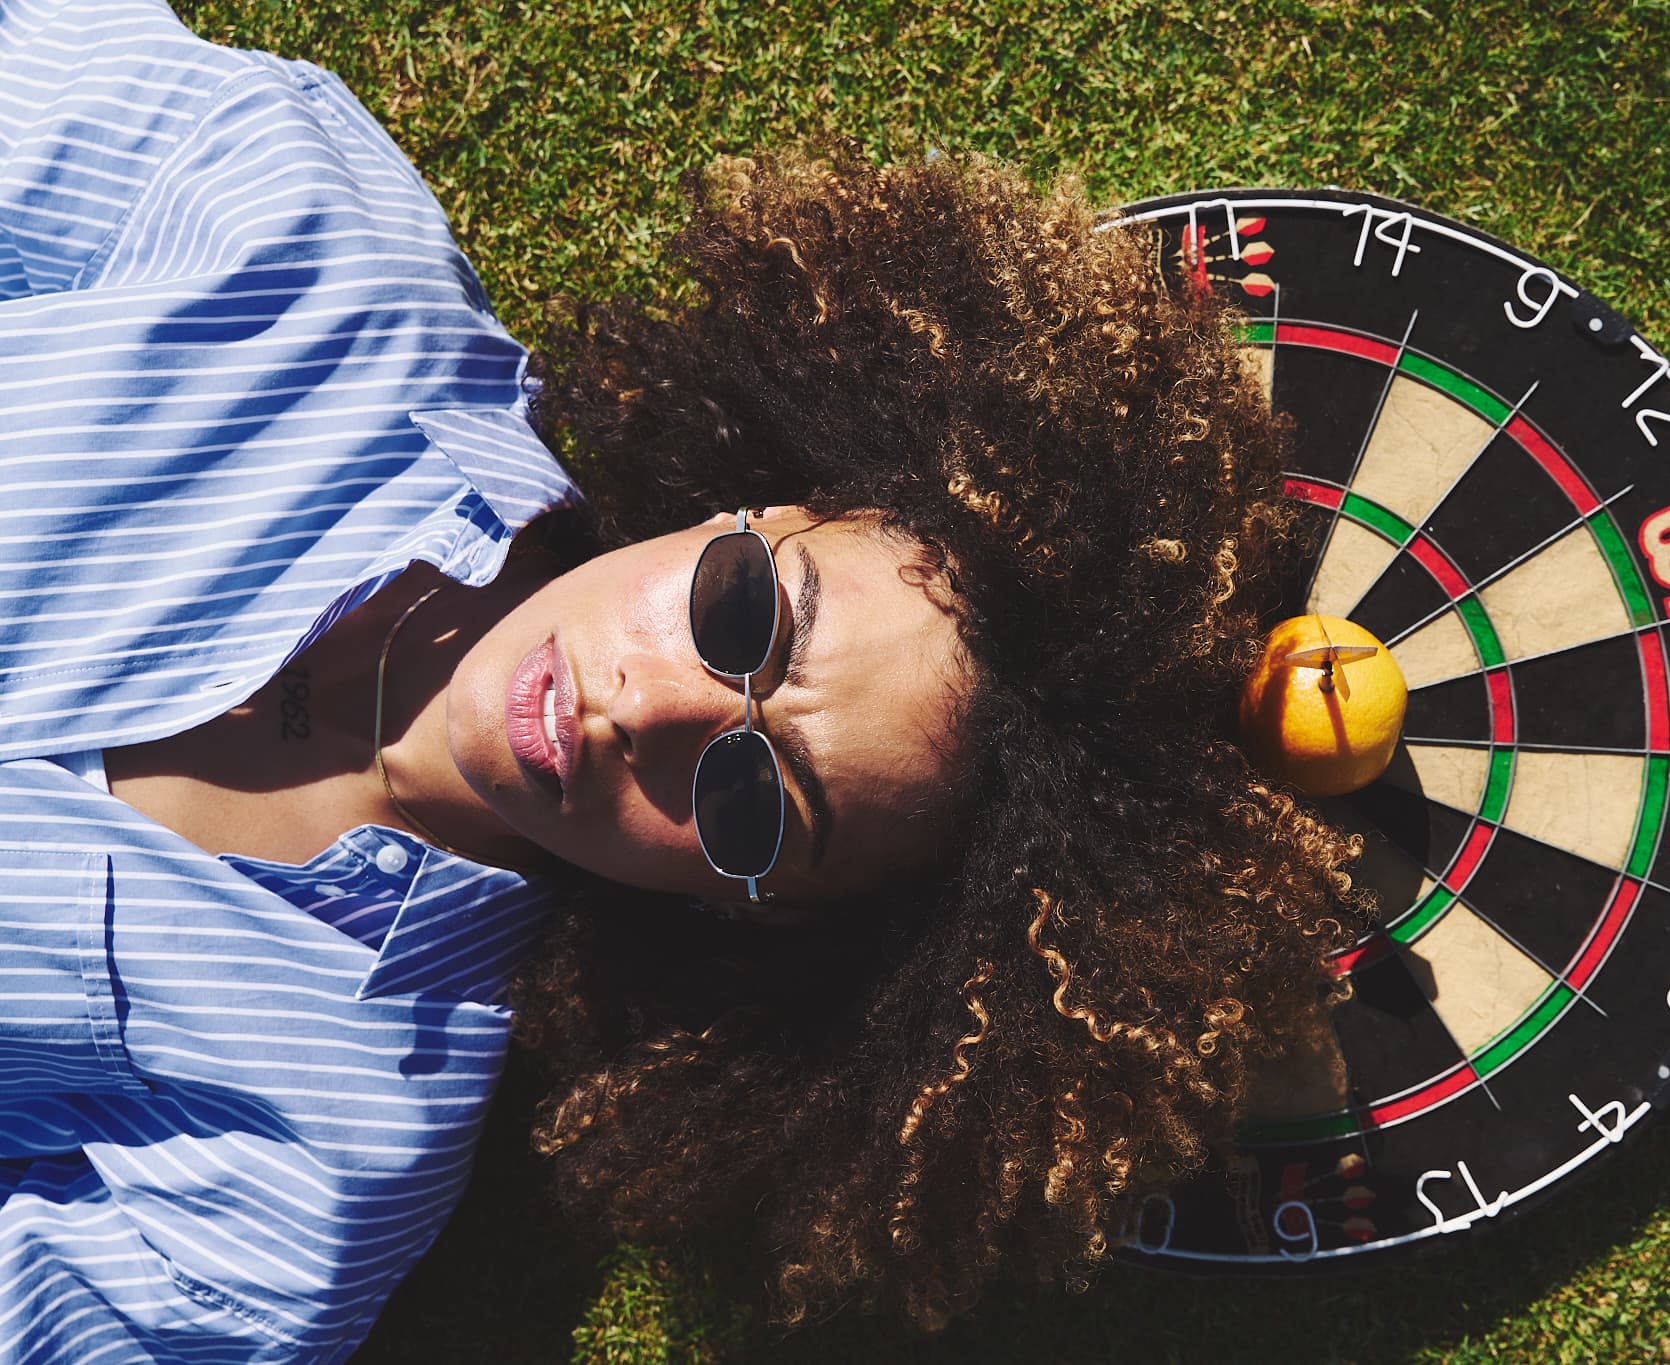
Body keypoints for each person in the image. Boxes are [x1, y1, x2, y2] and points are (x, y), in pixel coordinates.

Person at [0, 0, 1367, 1357]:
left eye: (752, 801)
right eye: (741, 609)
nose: (646, 709)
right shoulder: (288, 234)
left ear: (748, 912)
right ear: (760, 504)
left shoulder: (293, 1195)